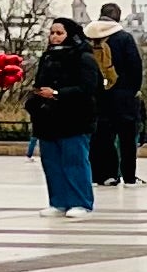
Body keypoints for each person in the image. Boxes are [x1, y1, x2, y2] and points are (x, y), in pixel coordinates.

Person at [27, 16, 104, 216]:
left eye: (59, 33)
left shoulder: (83, 57)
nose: (54, 37)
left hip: (74, 118)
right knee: (52, 163)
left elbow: (88, 88)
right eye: (52, 33)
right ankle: (58, 202)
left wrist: (57, 93)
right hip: (47, 118)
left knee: (75, 161)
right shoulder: (47, 57)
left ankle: (80, 202)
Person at [88, 2, 146, 187]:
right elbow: (135, 66)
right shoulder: (124, 38)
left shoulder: (89, 36)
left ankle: (103, 175)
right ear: (118, 17)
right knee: (127, 139)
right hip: (123, 96)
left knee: (102, 138)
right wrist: (132, 91)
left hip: (98, 96)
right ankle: (129, 177)